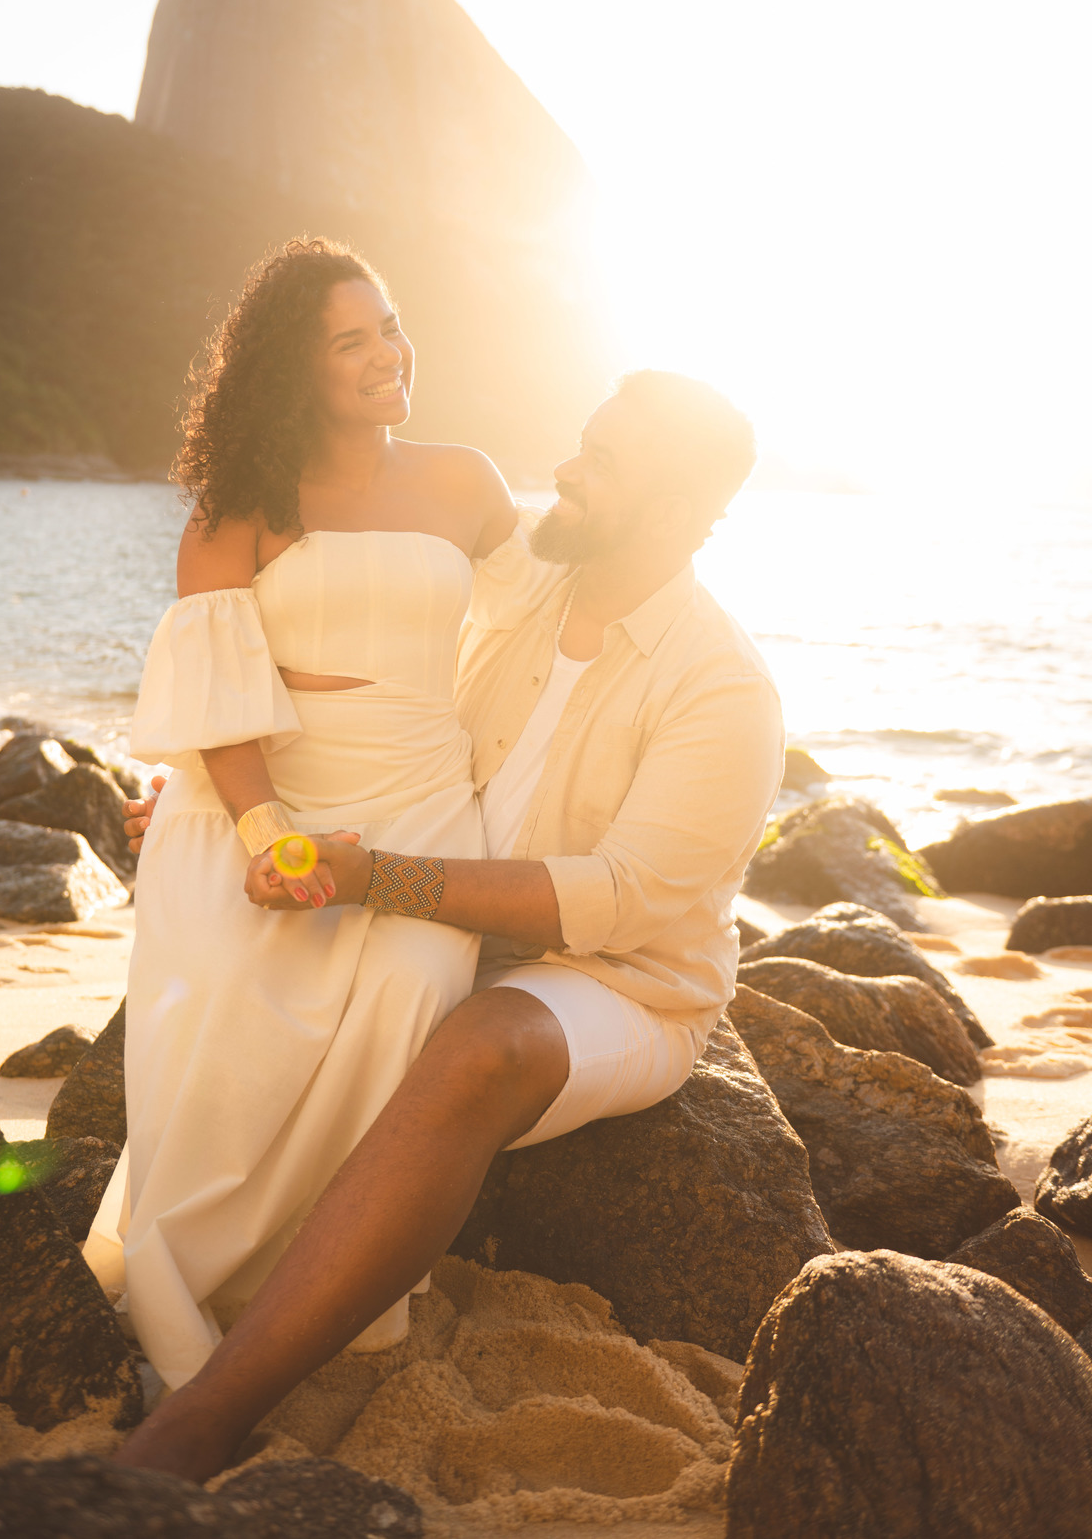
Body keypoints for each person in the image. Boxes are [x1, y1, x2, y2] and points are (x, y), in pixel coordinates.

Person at [113, 363, 785, 1480]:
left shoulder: (724, 689)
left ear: (674, 513)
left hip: (617, 982)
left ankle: (209, 1413)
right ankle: (199, 1270)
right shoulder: (518, 589)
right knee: (249, 943)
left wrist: (374, 878)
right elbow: (354, 692)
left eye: (601, 464)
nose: (563, 470)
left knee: (478, 1046)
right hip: (451, 925)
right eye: (582, 441)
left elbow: (609, 900)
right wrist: (202, 800)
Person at [84, 234, 523, 1384]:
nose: (387, 352)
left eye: (388, 323)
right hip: (260, 800)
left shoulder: (466, 480)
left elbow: (543, 635)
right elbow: (220, 699)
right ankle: (207, 1291)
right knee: (236, 1006)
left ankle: (333, 1288)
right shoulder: (242, 509)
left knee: (413, 991)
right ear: (296, 369)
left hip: (425, 797)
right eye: (351, 340)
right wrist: (261, 831)